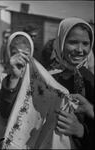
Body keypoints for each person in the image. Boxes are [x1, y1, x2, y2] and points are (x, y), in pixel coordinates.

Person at [51, 17, 94, 149]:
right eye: (73, 42)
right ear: (61, 42)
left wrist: (81, 130)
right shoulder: (47, 76)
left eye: (86, 43)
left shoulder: (89, 80)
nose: (80, 50)